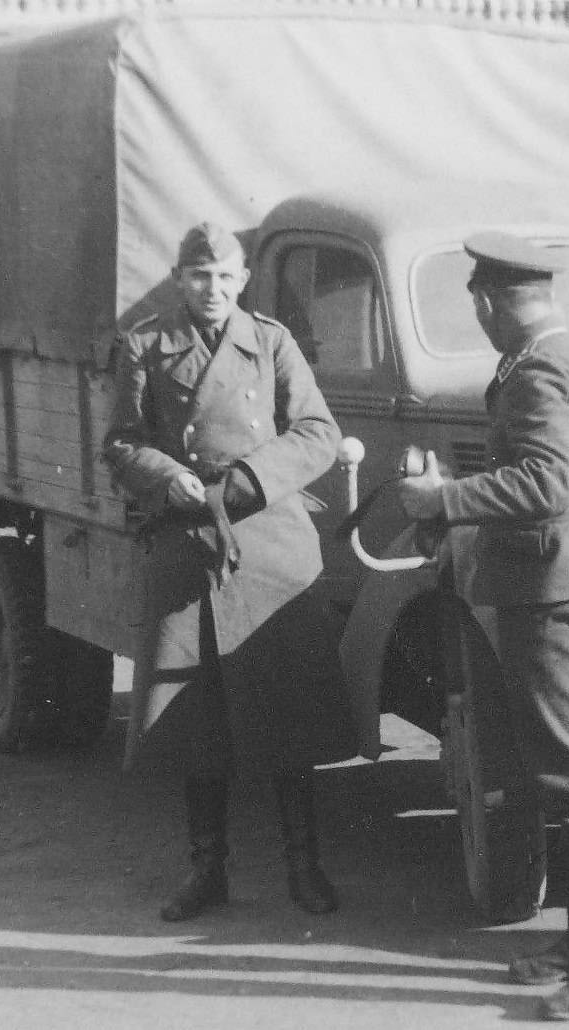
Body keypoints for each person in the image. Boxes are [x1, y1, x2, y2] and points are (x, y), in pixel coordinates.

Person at [397, 232, 569, 1022]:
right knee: (559, 770)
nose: (478, 314)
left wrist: (443, 500)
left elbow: (548, 481)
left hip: (552, 600)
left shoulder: (538, 371)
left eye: (477, 303)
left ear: (488, 302)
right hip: (565, 589)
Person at [104, 222, 357, 922]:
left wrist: (241, 483)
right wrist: (165, 477)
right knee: (194, 721)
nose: (211, 290)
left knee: (286, 712)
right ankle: (206, 871)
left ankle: (304, 866)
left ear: (243, 279)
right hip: (185, 541)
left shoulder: (271, 342)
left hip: (266, 540)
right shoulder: (144, 344)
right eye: (197, 276)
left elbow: (316, 433)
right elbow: (120, 443)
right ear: (179, 279)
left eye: (223, 276)